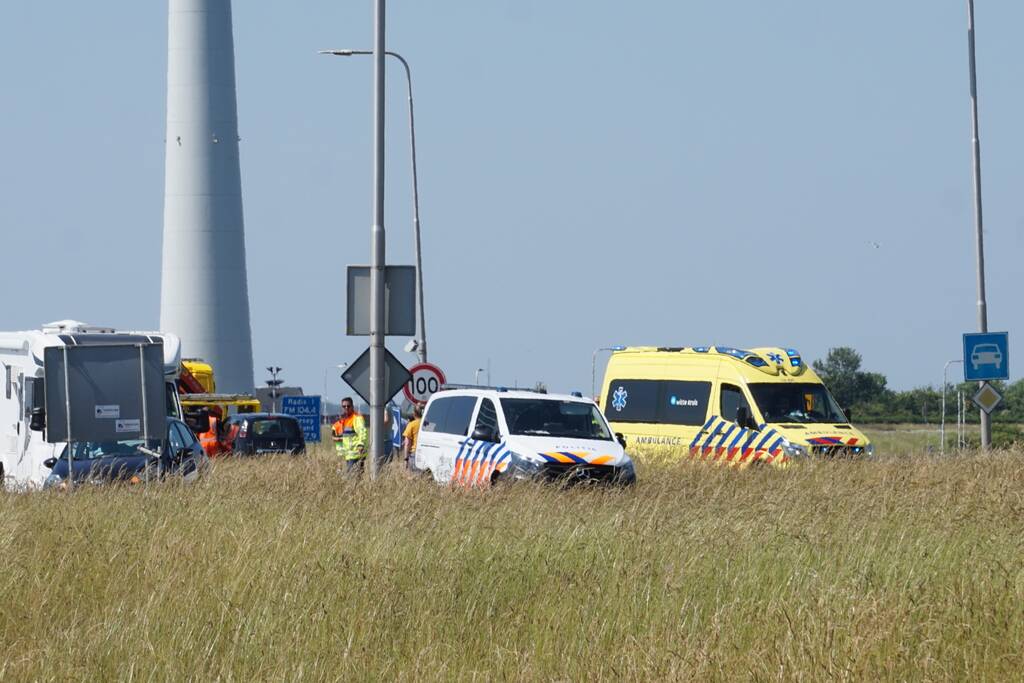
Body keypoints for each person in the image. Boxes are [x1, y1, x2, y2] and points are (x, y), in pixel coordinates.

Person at [332, 397, 367, 474]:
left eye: (348, 406)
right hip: (348, 456)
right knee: (353, 480)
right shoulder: (343, 421)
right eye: (344, 406)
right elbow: (340, 441)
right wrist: (340, 459)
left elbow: (362, 432)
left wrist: (361, 444)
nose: (346, 408)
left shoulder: (357, 418)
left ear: (352, 406)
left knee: (352, 479)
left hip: (357, 454)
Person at [402, 402, 424, 471]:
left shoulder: (411, 425)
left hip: (414, 454)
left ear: (414, 413)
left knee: (414, 478)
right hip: (426, 453)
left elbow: (407, 443)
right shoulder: (428, 424)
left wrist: (406, 459)